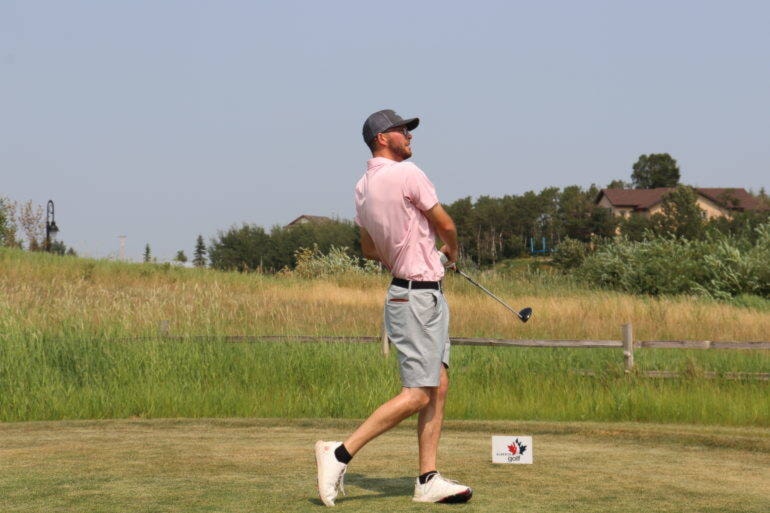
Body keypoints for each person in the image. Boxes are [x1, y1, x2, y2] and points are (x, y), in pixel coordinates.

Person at [314, 109, 472, 506]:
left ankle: (427, 479)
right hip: (417, 297)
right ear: (383, 137)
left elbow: (369, 247)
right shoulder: (409, 174)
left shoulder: (362, 186)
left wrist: (409, 254)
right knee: (419, 393)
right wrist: (449, 251)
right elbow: (447, 225)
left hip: (414, 293)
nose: (410, 137)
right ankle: (339, 453)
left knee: (438, 384)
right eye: (403, 131)